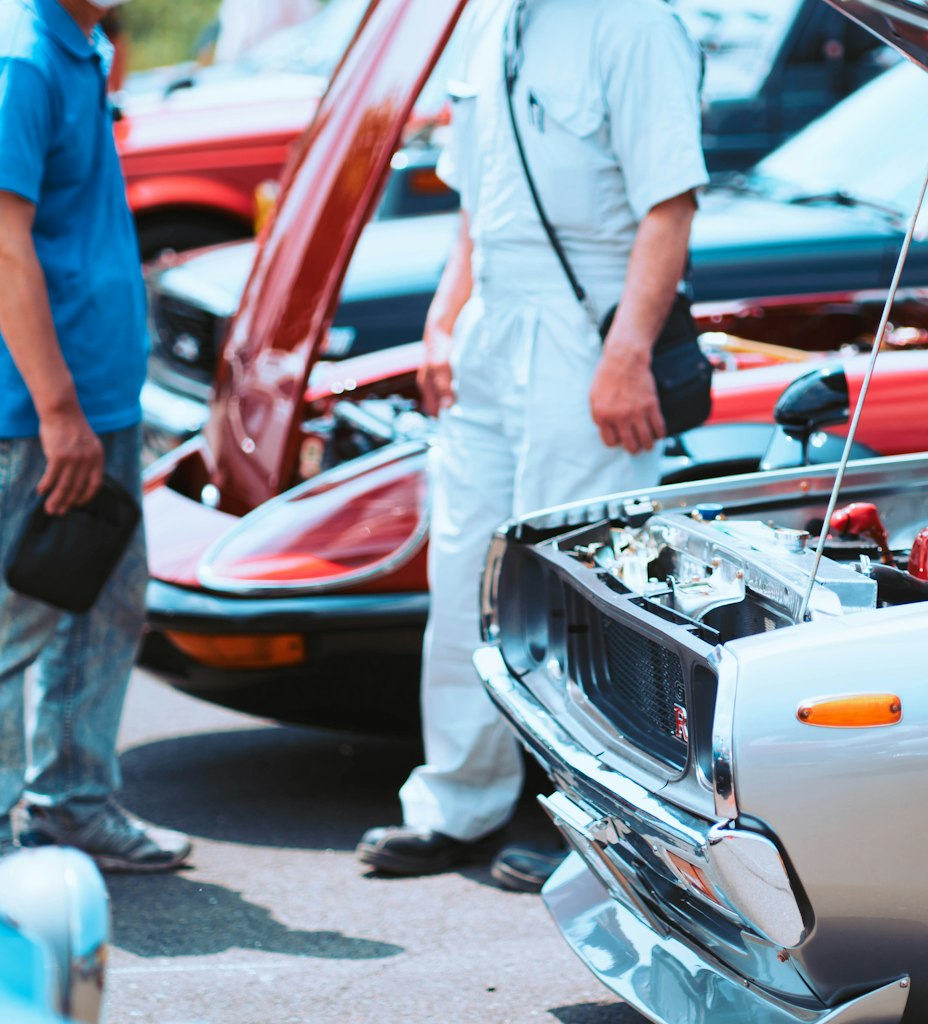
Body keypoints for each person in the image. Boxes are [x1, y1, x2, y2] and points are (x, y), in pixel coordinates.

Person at [355, 0, 706, 890]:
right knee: (462, 570)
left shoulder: (635, 26)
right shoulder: (486, 25)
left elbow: (669, 207)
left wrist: (626, 354)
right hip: (493, 316)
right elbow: (474, 208)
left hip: (587, 318)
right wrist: (444, 316)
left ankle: (594, 815)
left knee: (580, 584)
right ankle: (457, 803)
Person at [0, 0, 191, 872]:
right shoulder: (24, 58)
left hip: (99, 403)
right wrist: (56, 411)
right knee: (14, 627)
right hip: (43, 414)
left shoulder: (79, 43)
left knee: (105, 611)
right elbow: (4, 248)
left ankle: (72, 803)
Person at [215, 0, 319, 64]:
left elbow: (310, 29)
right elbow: (229, 50)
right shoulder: (235, 5)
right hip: (248, 74)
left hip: (283, 70)